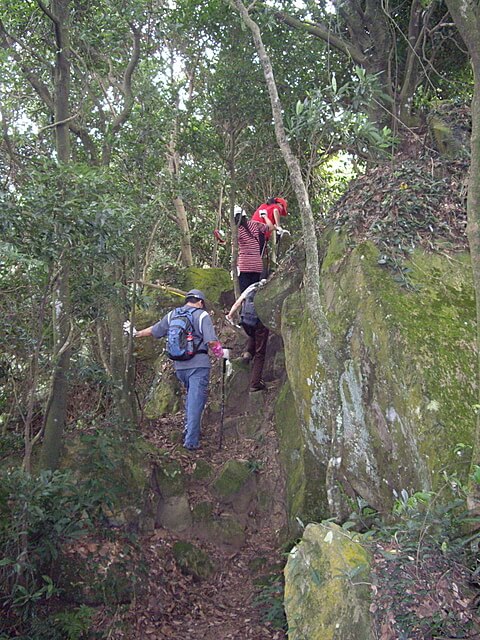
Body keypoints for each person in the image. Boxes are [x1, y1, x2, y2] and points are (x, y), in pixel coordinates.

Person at [123, 290, 224, 451]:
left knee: (193, 399)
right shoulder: (202, 315)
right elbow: (211, 341)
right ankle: (191, 442)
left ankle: (190, 429)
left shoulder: (173, 315)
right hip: (198, 365)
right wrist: (221, 354)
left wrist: (136, 334)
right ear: (201, 302)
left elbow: (155, 330)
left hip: (179, 366)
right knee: (195, 401)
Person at [226, 280, 269, 392]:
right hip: (259, 322)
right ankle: (255, 383)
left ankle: (247, 354)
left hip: (246, 321)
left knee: (253, 336)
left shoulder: (251, 287)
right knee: (260, 353)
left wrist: (230, 315)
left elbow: (237, 303)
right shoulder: (267, 289)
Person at [235, 205, 273, 293]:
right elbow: (270, 227)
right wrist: (264, 216)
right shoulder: (254, 224)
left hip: (244, 265)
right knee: (253, 293)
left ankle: (244, 307)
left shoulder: (237, 230)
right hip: (257, 264)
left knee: (244, 294)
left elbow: (235, 249)